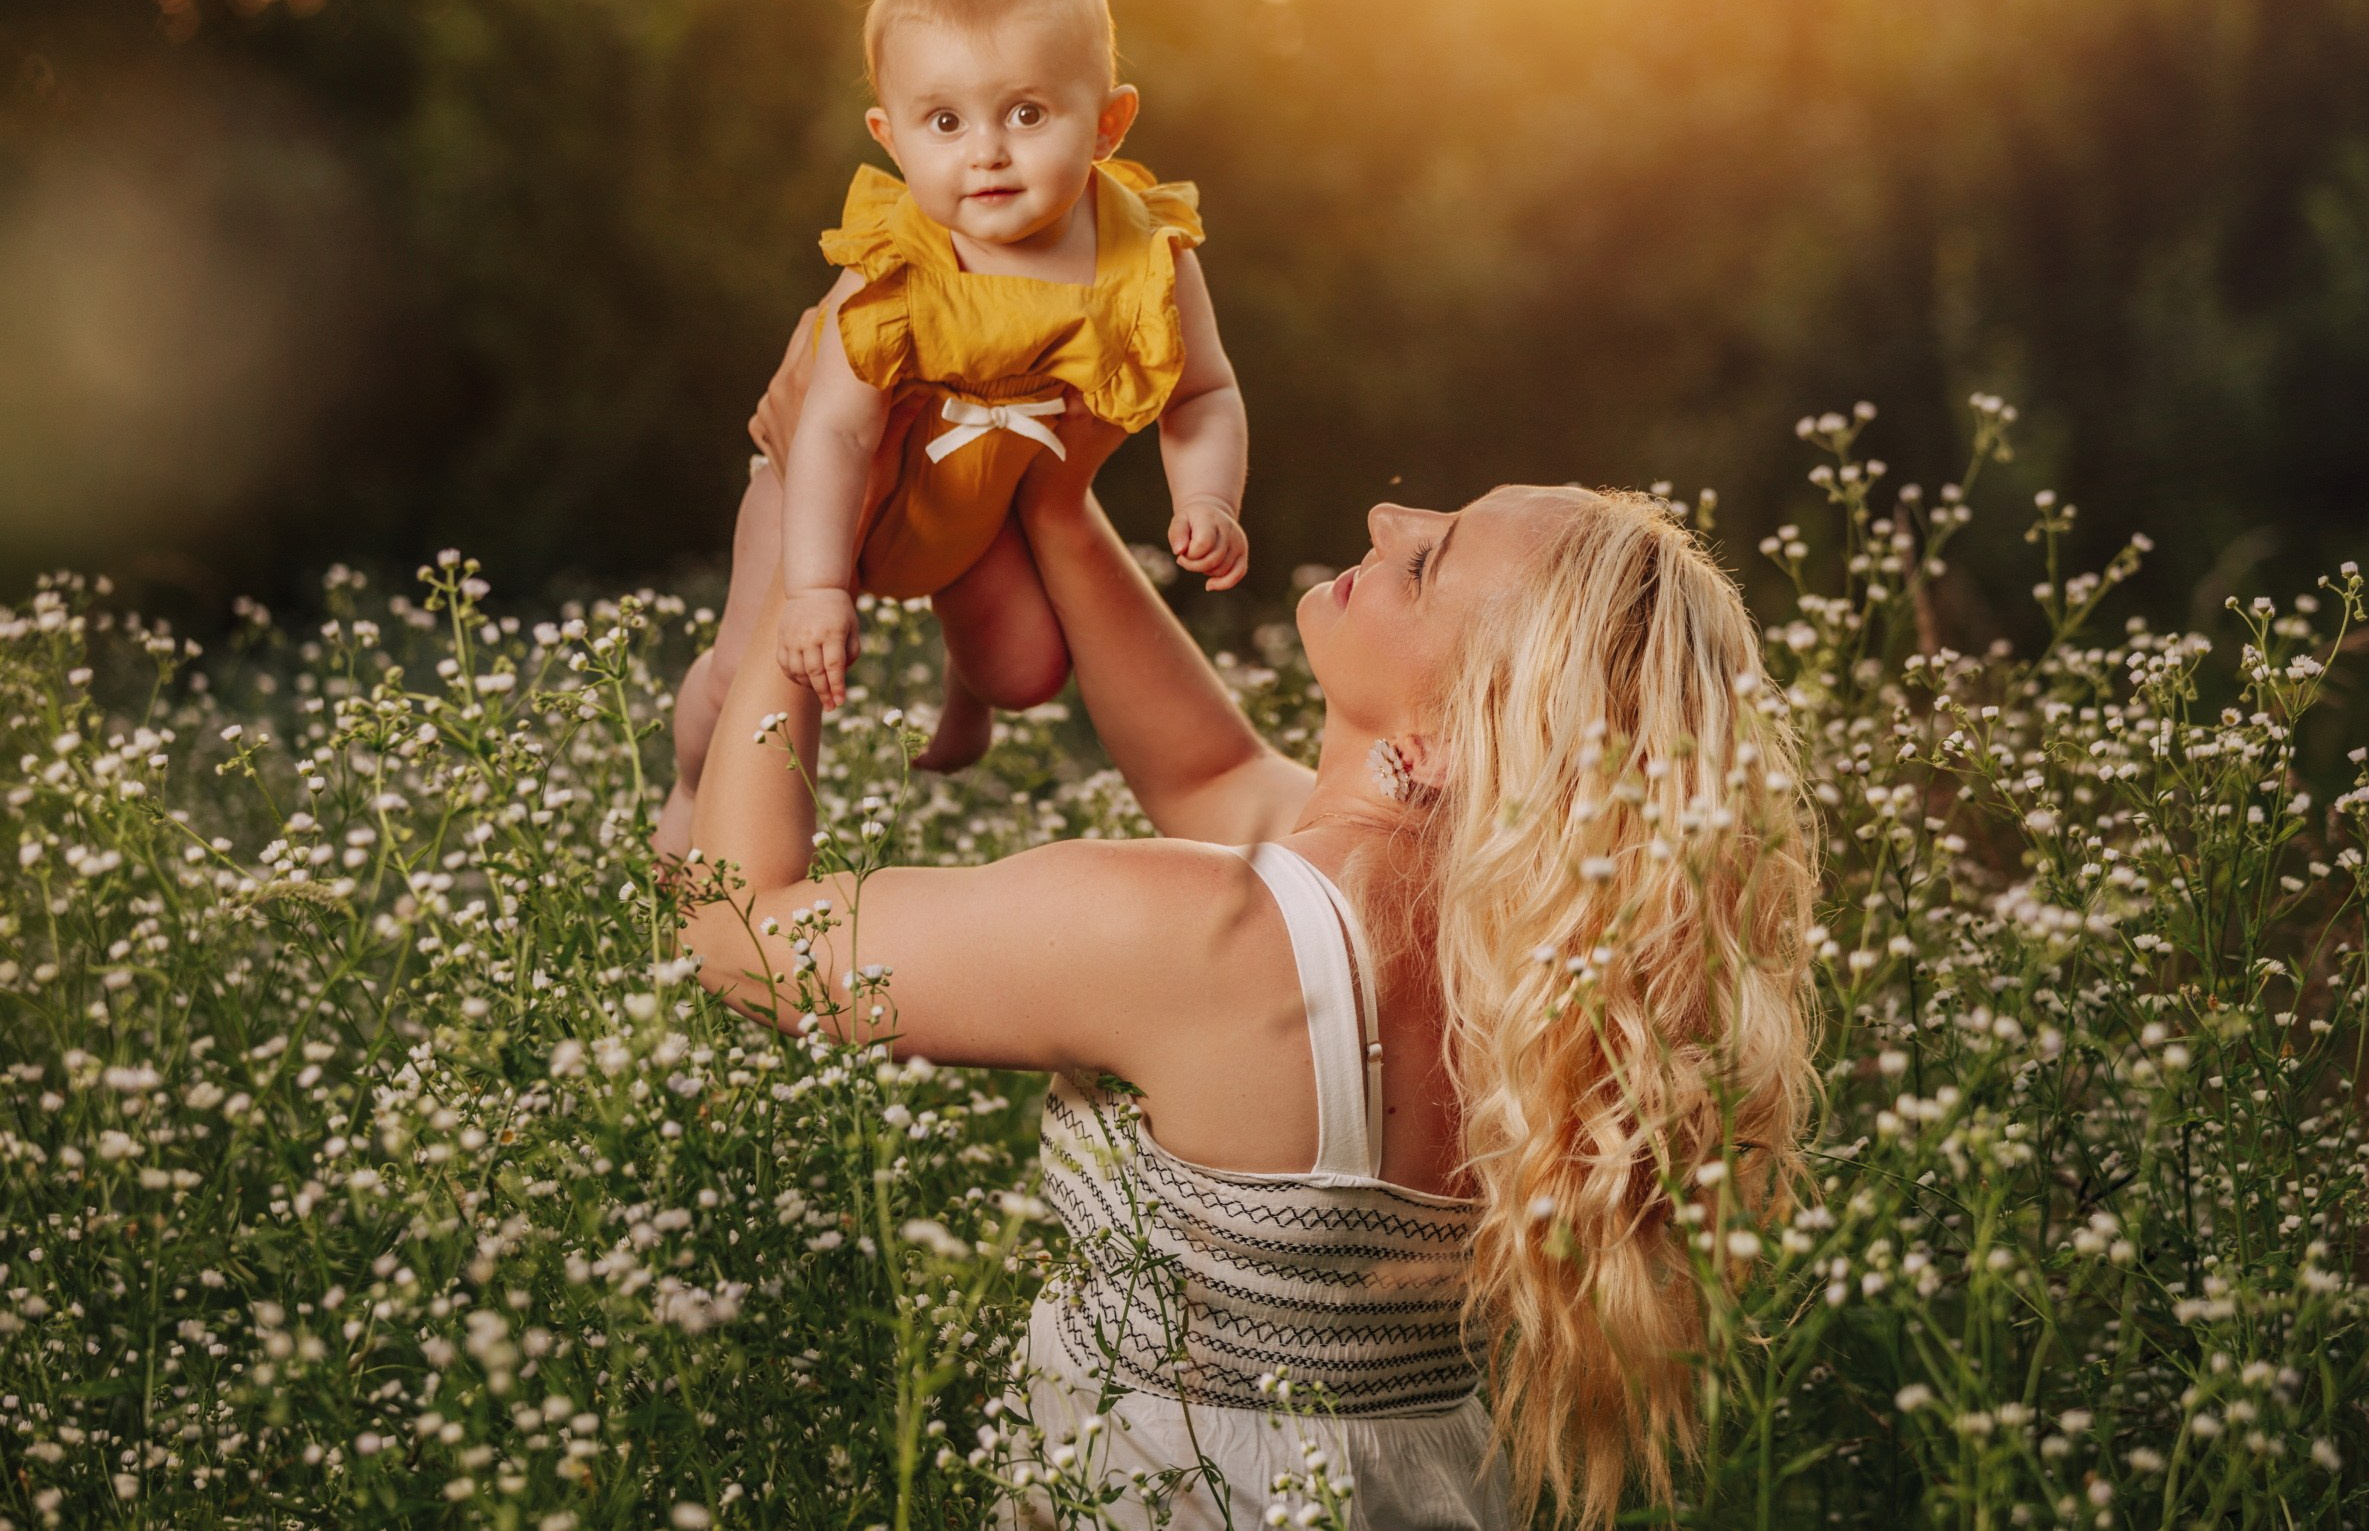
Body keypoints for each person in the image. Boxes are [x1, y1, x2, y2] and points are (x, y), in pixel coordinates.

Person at [680, 415, 1820, 1530]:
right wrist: (1056, 501)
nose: (1388, 514)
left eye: (1425, 563)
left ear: (1439, 743)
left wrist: (805, 532)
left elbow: (745, 939)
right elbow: (1207, 763)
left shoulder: (1198, 931)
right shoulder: (1520, 950)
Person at [657, 0, 1250, 855]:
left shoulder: (1147, 257)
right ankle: (692, 792)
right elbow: (838, 436)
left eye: (1025, 113)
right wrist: (816, 584)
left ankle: (966, 692)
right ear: (890, 138)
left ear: (1107, 121)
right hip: (824, 502)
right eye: (945, 122)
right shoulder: (894, 268)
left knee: (1029, 670)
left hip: (972, 518)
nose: (986, 153)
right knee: (751, 681)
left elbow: (1204, 393)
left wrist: (1207, 494)